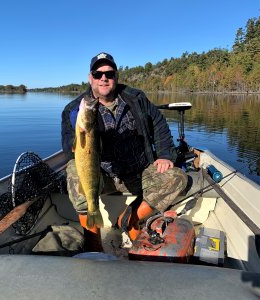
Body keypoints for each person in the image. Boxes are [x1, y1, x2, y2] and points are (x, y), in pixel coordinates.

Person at [61, 52, 188, 252]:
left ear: (116, 76)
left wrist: (164, 154)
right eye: (98, 73)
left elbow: (159, 124)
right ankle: (93, 242)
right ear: (90, 77)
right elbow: (70, 151)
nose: (104, 78)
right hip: (101, 177)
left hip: (138, 172)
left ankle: (130, 219)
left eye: (109, 73)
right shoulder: (74, 110)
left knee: (178, 178)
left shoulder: (135, 98)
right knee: (75, 172)